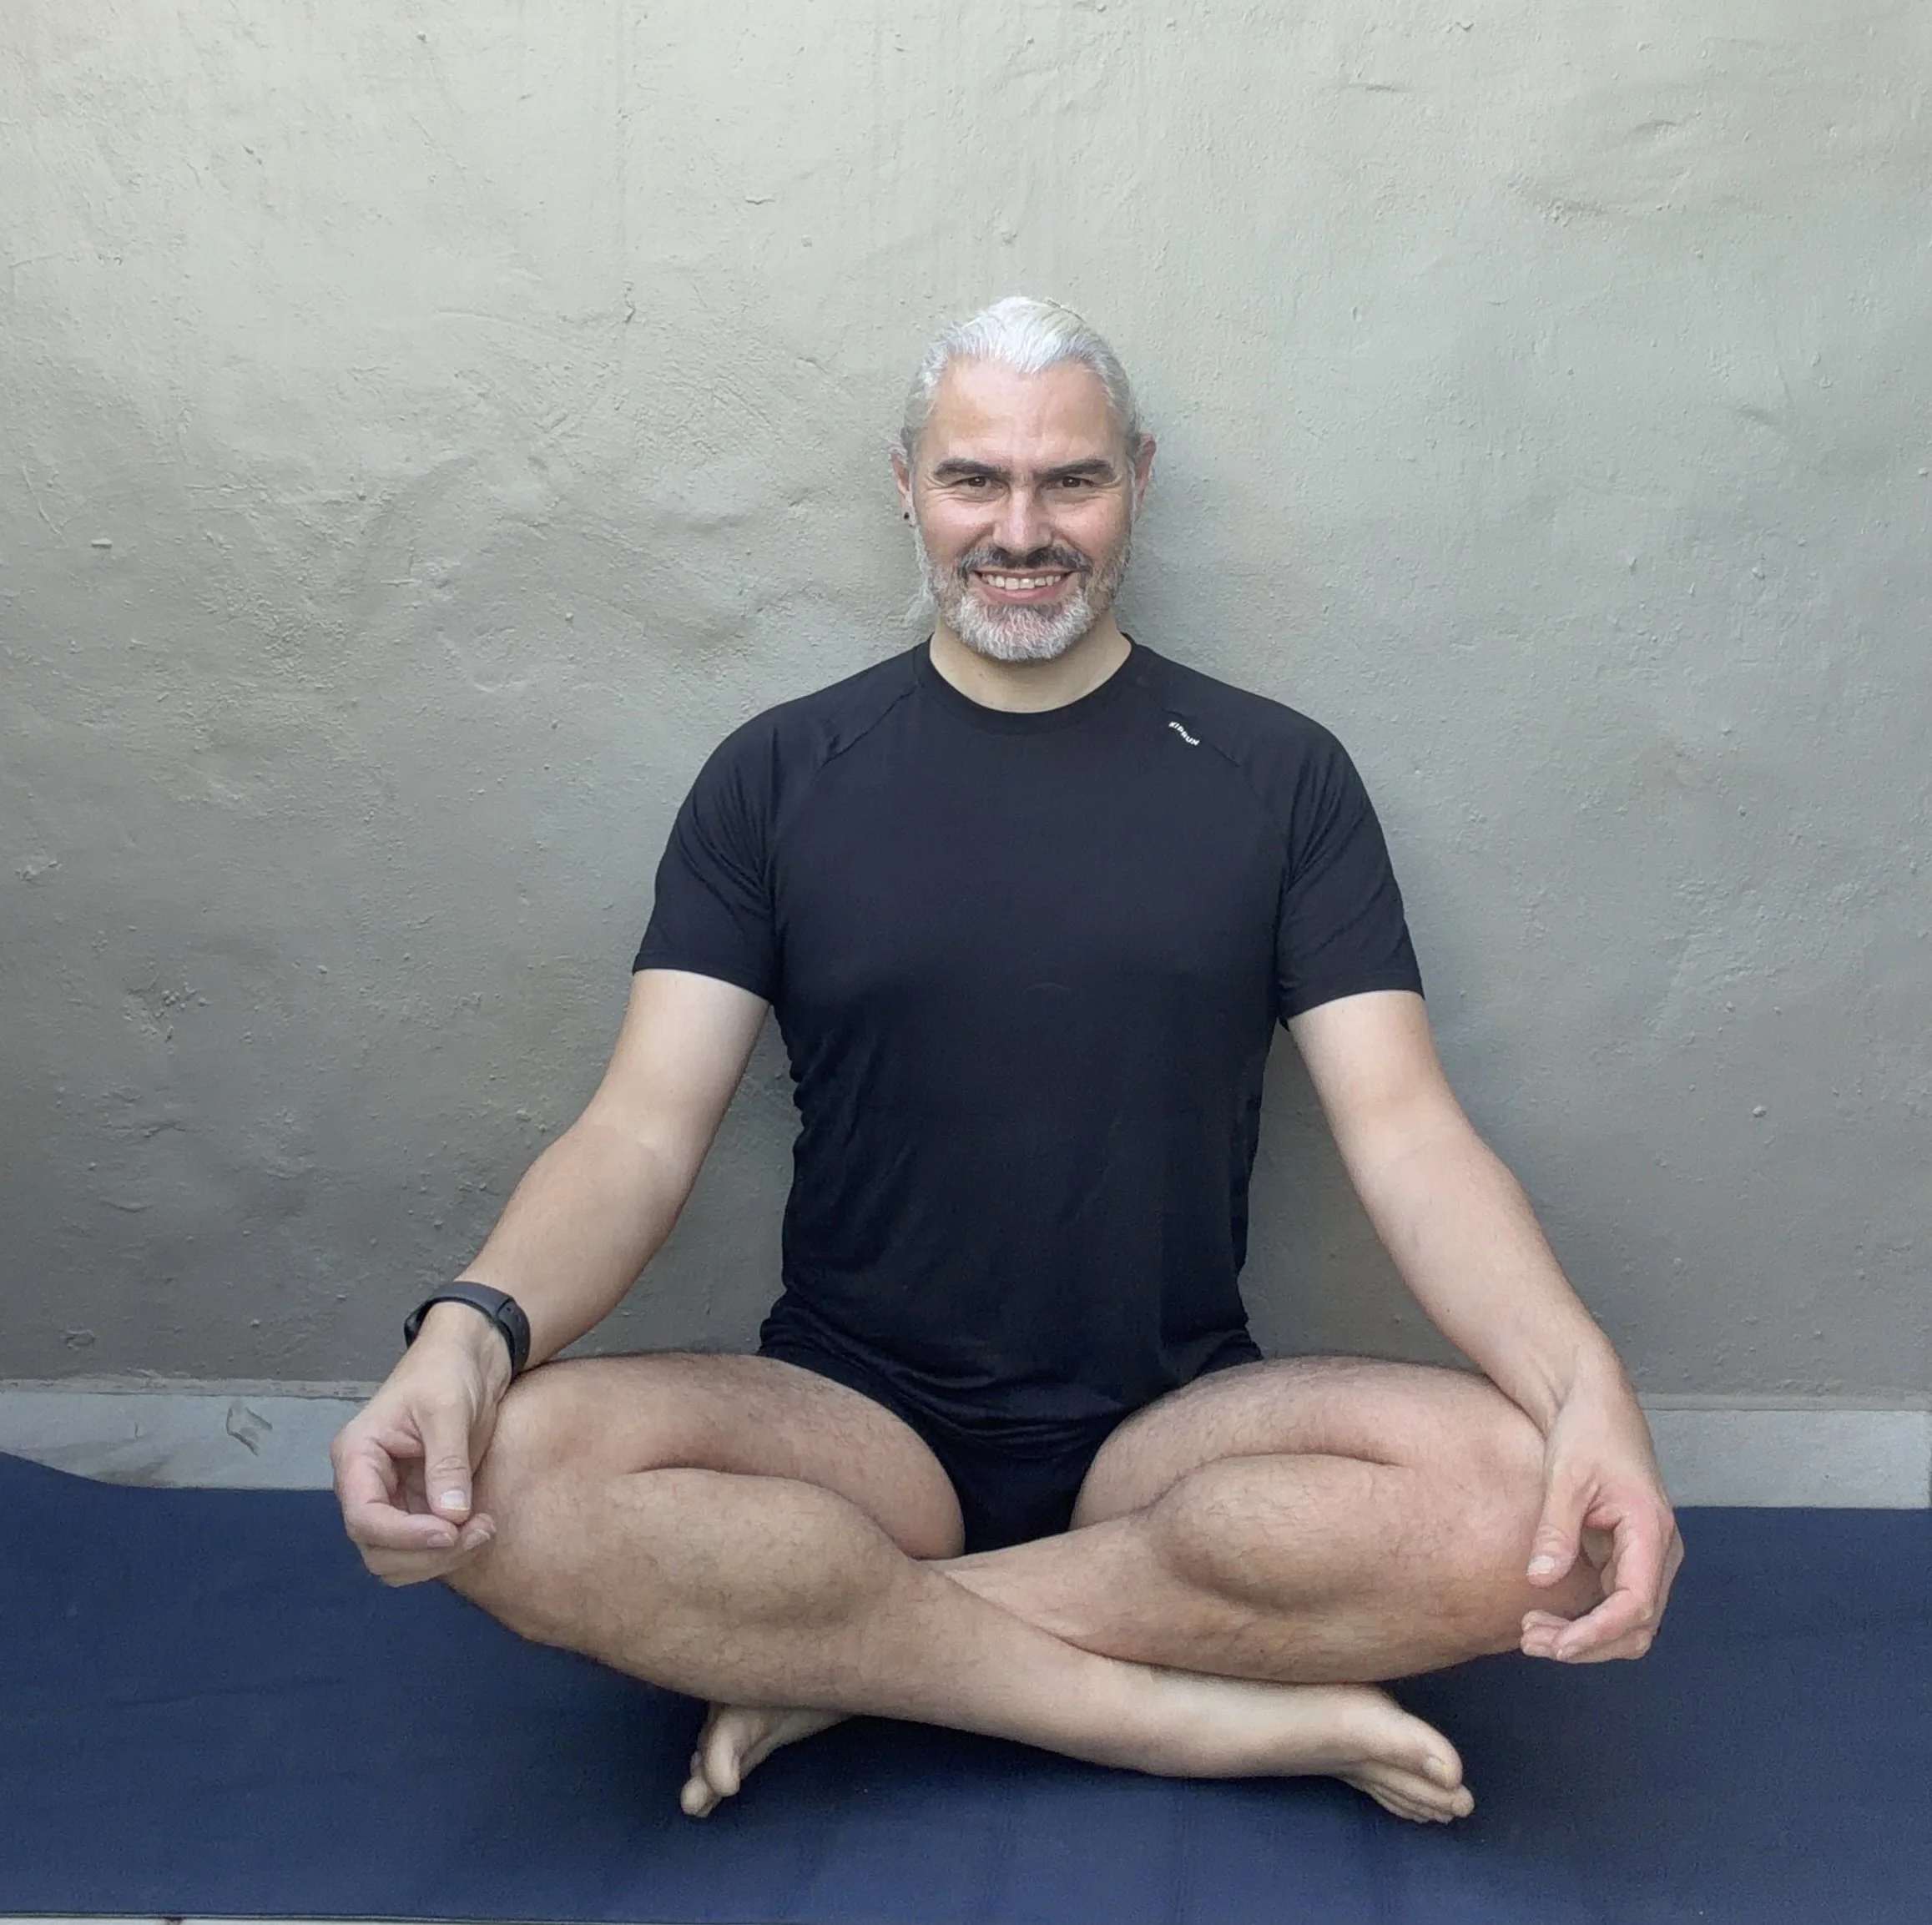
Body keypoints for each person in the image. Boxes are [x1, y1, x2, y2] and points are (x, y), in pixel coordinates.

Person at [332, 295, 1682, 1827]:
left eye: (1071, 481)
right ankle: (1166, 1712)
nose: (1020, 528)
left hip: (1172, 1430)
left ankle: (846, 1655)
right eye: (975, 478)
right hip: (854, 1427)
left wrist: (1590, 1391)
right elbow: (639, 1132)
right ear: (902, 485)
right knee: (495, 1480)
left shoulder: (1276, 773)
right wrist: (467, 1331)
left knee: (1536, 1513)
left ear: (1139, 483)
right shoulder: (775, 775)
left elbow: (1407, 1135)